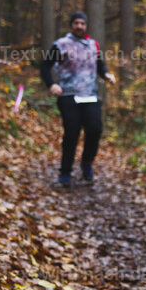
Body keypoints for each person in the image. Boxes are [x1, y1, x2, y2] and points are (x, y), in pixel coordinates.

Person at [40, 11, 115, 185]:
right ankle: (65, 171)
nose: (79, 26)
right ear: (71, 25)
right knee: (72, 132)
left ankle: (86, 163)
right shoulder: (61, 44)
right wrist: (52, 84)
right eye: (76, 23)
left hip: (90, 95)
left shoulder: (92, 45)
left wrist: (106, 75)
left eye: (82, 23)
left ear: (86, 26)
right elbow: (45, 66)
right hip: (68, 95)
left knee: (95, 129)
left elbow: (99, 65)